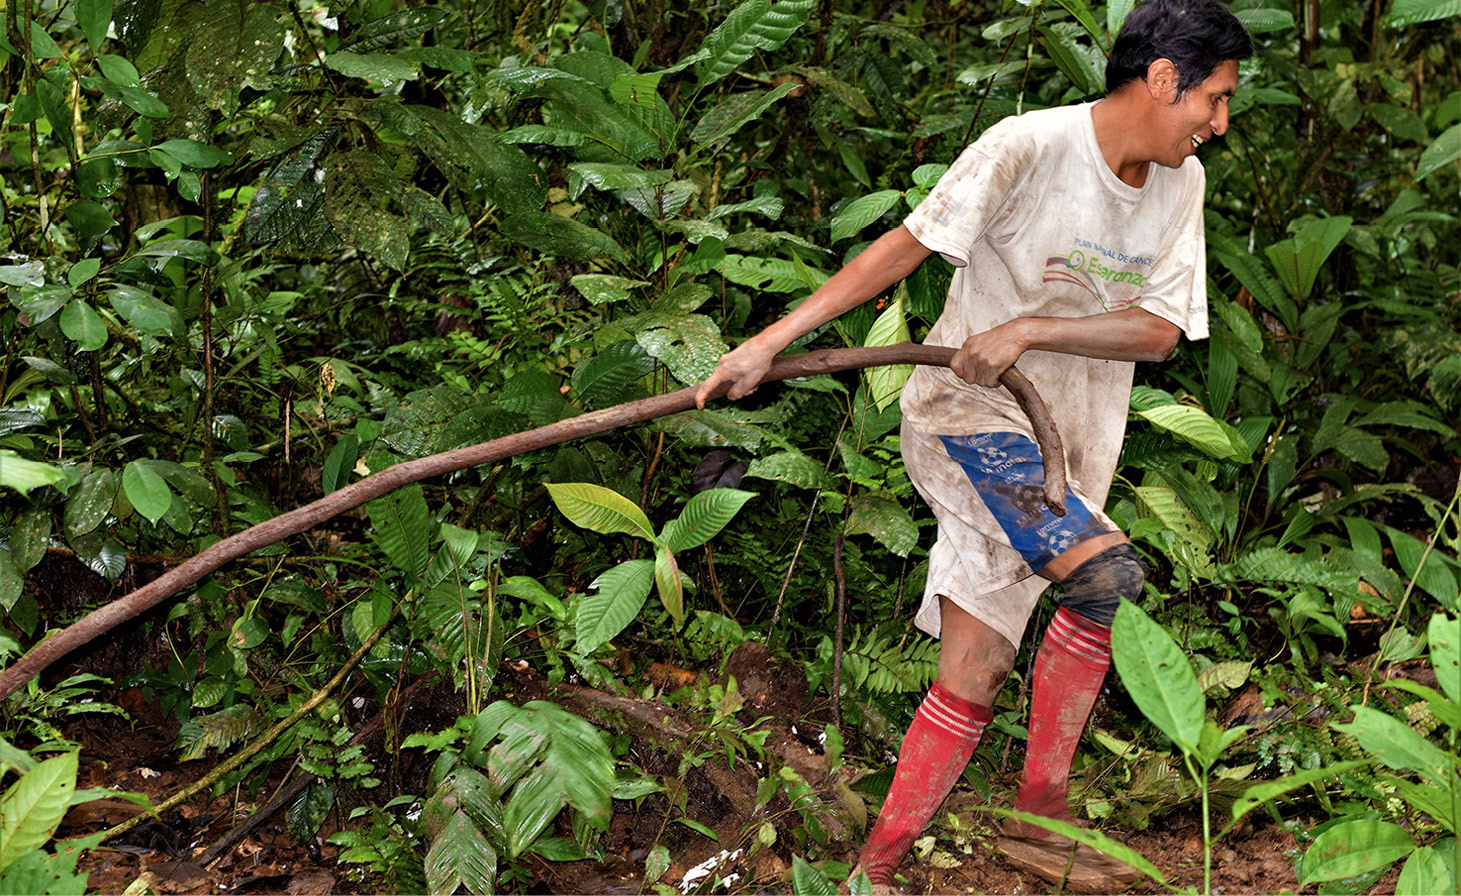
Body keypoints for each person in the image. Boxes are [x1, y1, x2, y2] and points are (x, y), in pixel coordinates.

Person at [695, 0, 1253, 890]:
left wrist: (1029, 326)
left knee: (977, 666)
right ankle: (1041, 814)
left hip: (1064, 451)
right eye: (1212, 100)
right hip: (969, 426)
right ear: (1161, 81)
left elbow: (1155, 334)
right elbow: (903, 248)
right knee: (1105, 577)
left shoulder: (1178, 186)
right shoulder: (1027, 145)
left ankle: (870, 871)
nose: (1218, 124)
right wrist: (769, 345)